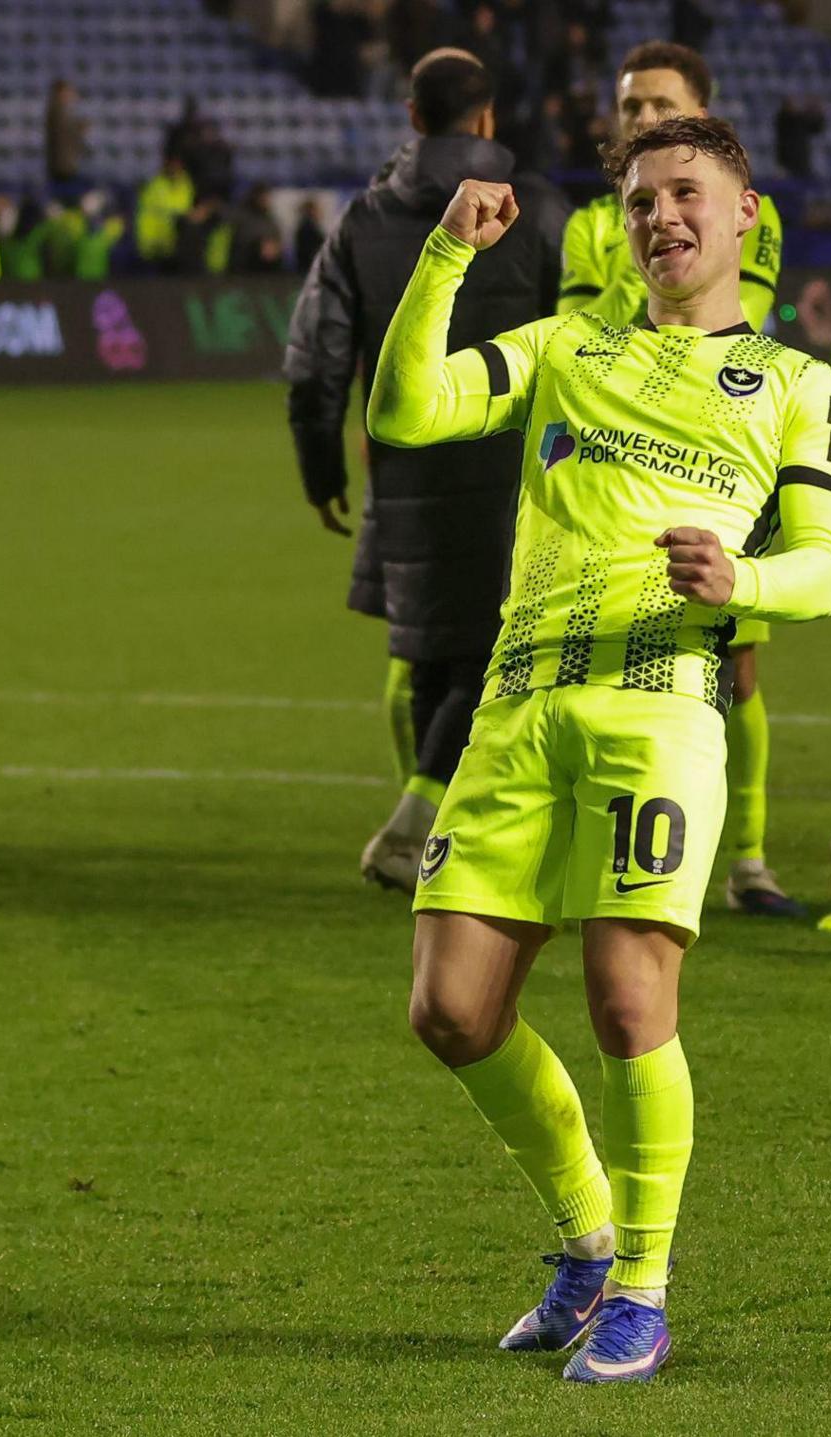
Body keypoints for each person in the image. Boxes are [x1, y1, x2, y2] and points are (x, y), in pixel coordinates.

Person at [369, 116, 831, 1384]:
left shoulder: (799, 383)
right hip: (519, 701)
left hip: (657, 701)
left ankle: (643, 1283)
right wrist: (445, 259)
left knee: (629, 1001)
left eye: (686, 195)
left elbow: (821, 572)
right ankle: (587, 1241)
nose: (661, 219)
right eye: (639, 201)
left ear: (746, 214)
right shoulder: (567, 342)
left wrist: (740, 573)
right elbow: (406, 409)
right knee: (450, 1009)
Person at [288, 48, 565, 892]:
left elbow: (314, 359)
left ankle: (434, 835)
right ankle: (415, 825)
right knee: (490, 650)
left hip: (403, 466)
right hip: (512, 468)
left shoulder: (364, 220)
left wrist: (320, 469)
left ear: (413, 117)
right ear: (488, 119)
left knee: (430, 652)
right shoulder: (544, 212)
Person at [553, 41, 797, 916]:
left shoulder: (740, 215)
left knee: (739, 666)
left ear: (701, 109)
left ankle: (753, 857)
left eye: (661, 106)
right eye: (631, 110)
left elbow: (745, 322)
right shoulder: (592, 225)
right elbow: (576, 344)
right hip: (615, 466)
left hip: (720, 448)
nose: (644, 122)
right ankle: (608, 840)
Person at [136, 154, 194, 269]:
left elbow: (184, 206)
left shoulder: (186, 183)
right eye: (172, 165)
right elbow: (154, 207)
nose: (175, 169)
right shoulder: (155, 184)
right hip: (153, 236)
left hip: (173, 237)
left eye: (177, 166)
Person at [44, 77, 85, 192]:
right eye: (68, 91)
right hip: (62, 165)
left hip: (64, 163)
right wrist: (78, 129)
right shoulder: (57, 111)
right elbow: (65, 135)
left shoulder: (58, 110)